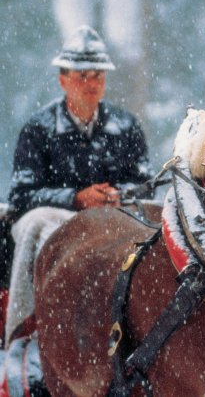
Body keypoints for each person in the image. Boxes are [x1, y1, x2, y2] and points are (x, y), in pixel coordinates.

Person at [4, 25, 154, 347]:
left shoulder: (126, 126)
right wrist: (75, 198)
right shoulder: (38, 129)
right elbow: (20, 196)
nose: (91, 84)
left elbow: (146, 185)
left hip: (114, 219)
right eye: (82, 76)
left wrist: (118, 194)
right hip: (55, 221)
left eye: (98, 76)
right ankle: (28, 328)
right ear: (63, 80)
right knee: (36, 225)